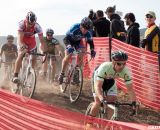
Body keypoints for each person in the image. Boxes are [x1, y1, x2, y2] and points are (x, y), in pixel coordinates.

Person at [89, 50, 136, 118]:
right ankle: (89, 122)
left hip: (110, 80)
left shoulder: (126, 71)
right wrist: (102, 99)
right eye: (119, 64)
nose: (122, 66)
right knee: (98, 102)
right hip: (98, 79)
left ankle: (110, 124)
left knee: (112, 102)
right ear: (113, 62)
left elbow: (130, 89)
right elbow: (98, 86)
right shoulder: (105, 67)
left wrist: (134, 103)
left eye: (124, 64)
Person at [58, 17, 96, 84]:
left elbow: (91, 42)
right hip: (69, 41)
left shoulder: (88, 32)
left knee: (82, 53)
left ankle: (76, 74)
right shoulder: (74, 27)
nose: (86, 31)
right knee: (68, 55)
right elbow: (66, 39)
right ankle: (62, 73)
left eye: (87, 29)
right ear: (81, 26)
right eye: (85, 28)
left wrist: (92, 50)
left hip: (77, 42)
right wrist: (69, 46)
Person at [12, 11, 46, 83]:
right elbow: (20, 38)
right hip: (22, 40)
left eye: (32, 24)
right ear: (26, 20)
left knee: (34, 57)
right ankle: (15, 75)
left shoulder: (37, 27)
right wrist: (23, 45)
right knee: (22, 54)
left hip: (31, 42)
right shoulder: (21, 24)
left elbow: (42, 41)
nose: (30, 25)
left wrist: (43, 52)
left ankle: (30, 74)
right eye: (29, 23)